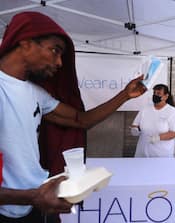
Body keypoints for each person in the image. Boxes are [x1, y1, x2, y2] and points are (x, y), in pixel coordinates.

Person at [0, 11, 146, 222]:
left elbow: (80, 120)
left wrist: (124, 95)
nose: (60, 62)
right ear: (25, 43)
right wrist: (33, 198)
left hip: (36, 203)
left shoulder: (36, 93)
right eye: (55, 50)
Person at [130, 84, 175, 157]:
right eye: (154, 93)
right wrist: (135, 130)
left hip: (161, 155)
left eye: (158, 93)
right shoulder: (145, 109)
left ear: (166, 96)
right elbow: (135, 125)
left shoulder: (172, 111)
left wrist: (158, 138)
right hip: (142, 154)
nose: (155, 95)